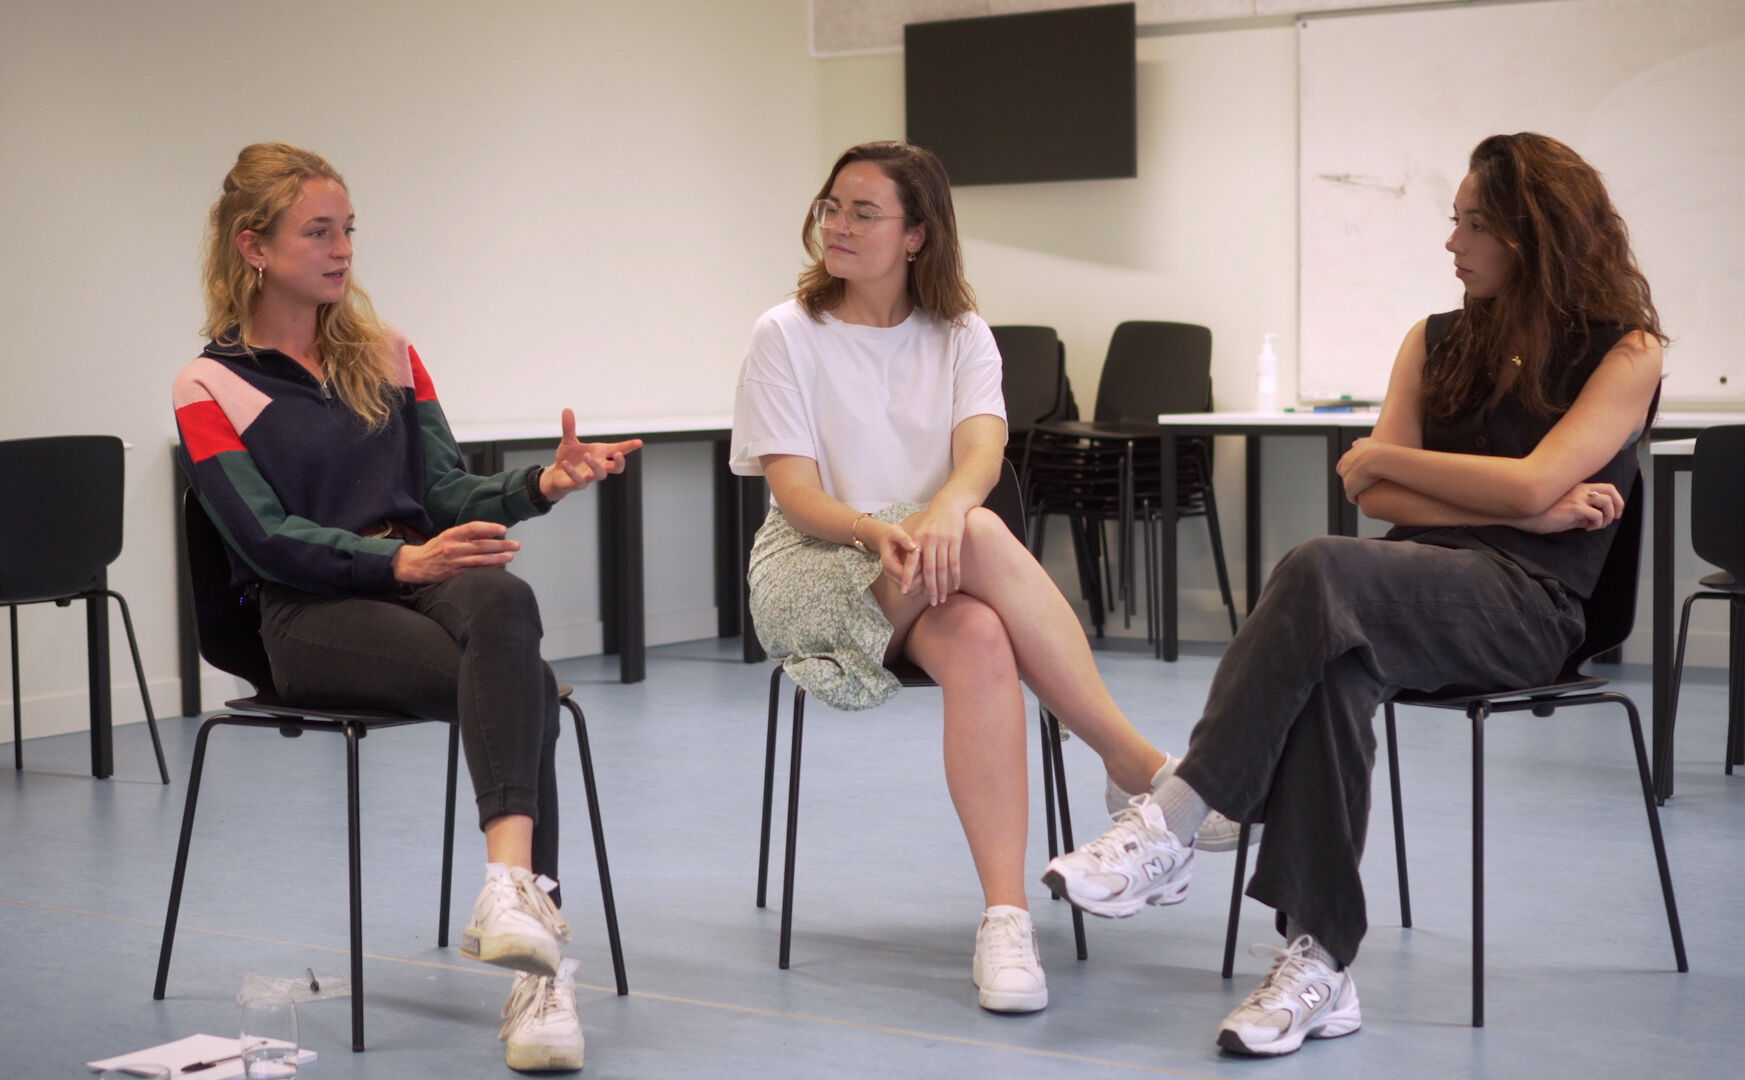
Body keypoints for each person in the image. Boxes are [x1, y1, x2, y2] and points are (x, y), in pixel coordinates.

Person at [1043, 132, 1665, 1056]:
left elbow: (1457, 473)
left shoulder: (1627, 352)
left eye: (1475, 225)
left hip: (1527, 609)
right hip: (1403, 593)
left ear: (1535, 234)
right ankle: (1323, 965)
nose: (1452, 242)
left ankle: (1176, 815)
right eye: (1454, 220)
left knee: (1319, 565)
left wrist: (1472, 485)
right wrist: (1522, 505)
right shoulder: (1435, 338)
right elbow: (1374, 494)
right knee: (1334, 667)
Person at [730, 140, 1240, 1014]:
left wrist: (942, 513)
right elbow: (796, 492)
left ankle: (1007, 919)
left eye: (863, 212)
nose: (838, 225)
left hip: (934, 566)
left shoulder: (962, 333)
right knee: (983, 532)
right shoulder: (785, 333)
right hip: (817, 563)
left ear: (917, 235)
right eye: (831, 207)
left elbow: (982, 451)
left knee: (979, 633)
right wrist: (884, 528)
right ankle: (1139, 767)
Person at [172, 142, 642, 1073]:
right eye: (319, 232)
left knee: (505, 594)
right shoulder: (208, 386)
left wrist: (541, 484)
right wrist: (399, 559)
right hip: (308, 612)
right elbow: (265, 538)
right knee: (526, 689)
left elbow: (445, 492)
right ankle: (539, 972)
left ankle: (510, 898)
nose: (343, 249)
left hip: (420, 573)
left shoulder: (390, 355)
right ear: (253, 246)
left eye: (348, 229)